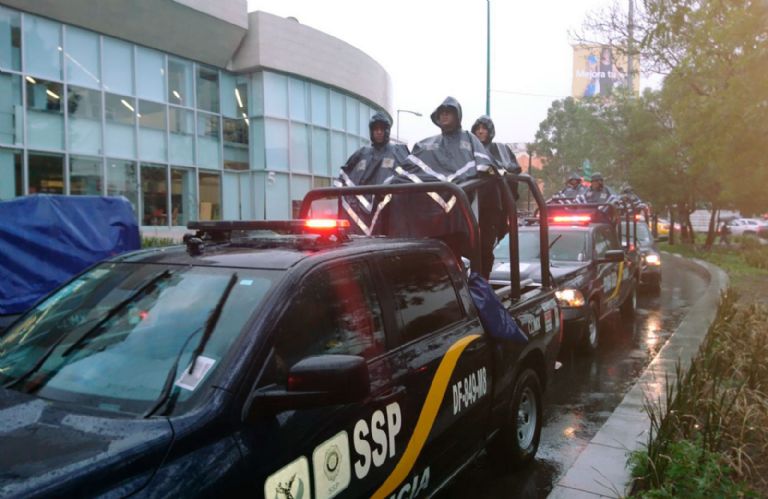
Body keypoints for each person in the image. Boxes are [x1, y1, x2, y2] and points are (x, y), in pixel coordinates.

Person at [393, 97, 493, 265]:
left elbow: (485, 166)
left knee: (458, 254)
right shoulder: (426, 144)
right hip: (429, 214)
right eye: (442, 113)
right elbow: (406, 171)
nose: (444, 116)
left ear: (457, 115)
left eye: (449, 112)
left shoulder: (469, 139)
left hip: (460, 210)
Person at [334, 112, 409, 235]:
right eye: (375, 129)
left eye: (381, 129)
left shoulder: (397, 151)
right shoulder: (362, 153)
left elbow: (407, 173)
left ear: (387, 131)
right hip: (361, 211)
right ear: (371, 131)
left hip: (387, 210)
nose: (378, 132)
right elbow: (345, 175)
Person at [471, 115, 522, 278]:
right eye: (478, 128)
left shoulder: (500, 149)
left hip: (493, 205)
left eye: (484, 128)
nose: (480, 132)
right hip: (470, 203)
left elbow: (512, 170)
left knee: (486, 245)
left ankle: (483, 279)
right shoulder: (467, 150)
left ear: (490, 131)